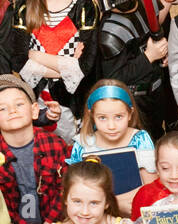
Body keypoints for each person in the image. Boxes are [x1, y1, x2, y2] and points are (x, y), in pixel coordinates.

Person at [0, 0, 99, 118]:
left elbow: (85, 67)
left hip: (76, 103)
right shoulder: (25, 7)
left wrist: (37, 56)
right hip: (37, 104)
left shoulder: (85, 7)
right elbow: (18, 61)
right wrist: (67, 66)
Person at [90, 0, 176, 142]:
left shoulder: (150, 2)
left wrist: (165, 51)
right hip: (135, 103)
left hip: (159, 90)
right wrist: (148, 57)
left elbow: (161, 33)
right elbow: (114, 77)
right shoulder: (109, 31)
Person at [0, 75, 68, 224]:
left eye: (19, 104)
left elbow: (66, 188)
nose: (12, 111)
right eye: (3, 108)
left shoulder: (56, 144)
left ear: (34, 111)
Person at [65, 81, 157, 215]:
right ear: (92, 115)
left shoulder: (140, 139)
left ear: (130, 114)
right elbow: (76, 191)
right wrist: (116, 202)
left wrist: (101, 202)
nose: (111, 126)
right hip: (95, 217)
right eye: (102, 118)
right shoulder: (82, 144)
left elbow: (151, 188)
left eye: (118, 117)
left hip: (135, 214)